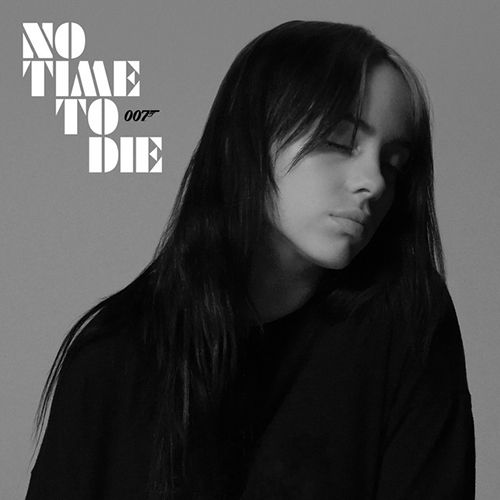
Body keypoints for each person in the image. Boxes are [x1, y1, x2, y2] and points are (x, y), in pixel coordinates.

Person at [26, 20, 475, 499]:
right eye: (340, 141)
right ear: (249, 137)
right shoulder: (113, 354)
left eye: (394, 163)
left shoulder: (406, 322)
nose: (375, 181)